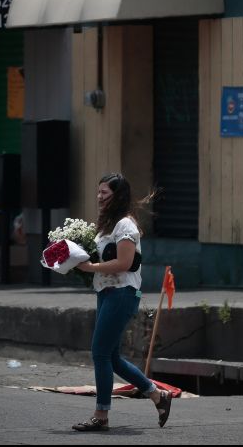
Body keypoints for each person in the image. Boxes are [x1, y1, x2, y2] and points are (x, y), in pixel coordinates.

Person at [71, 173, 171, 432]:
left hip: (122, 293)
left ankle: (101, 415)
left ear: (118, 195)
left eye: (104, 193)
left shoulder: (125, 225)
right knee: (111, 357)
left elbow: (124, 263)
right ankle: (157, 395)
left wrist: (90, 267)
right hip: (106, 293)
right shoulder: (108, 225)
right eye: (99, 192)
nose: (99, 197)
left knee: (100, 353)